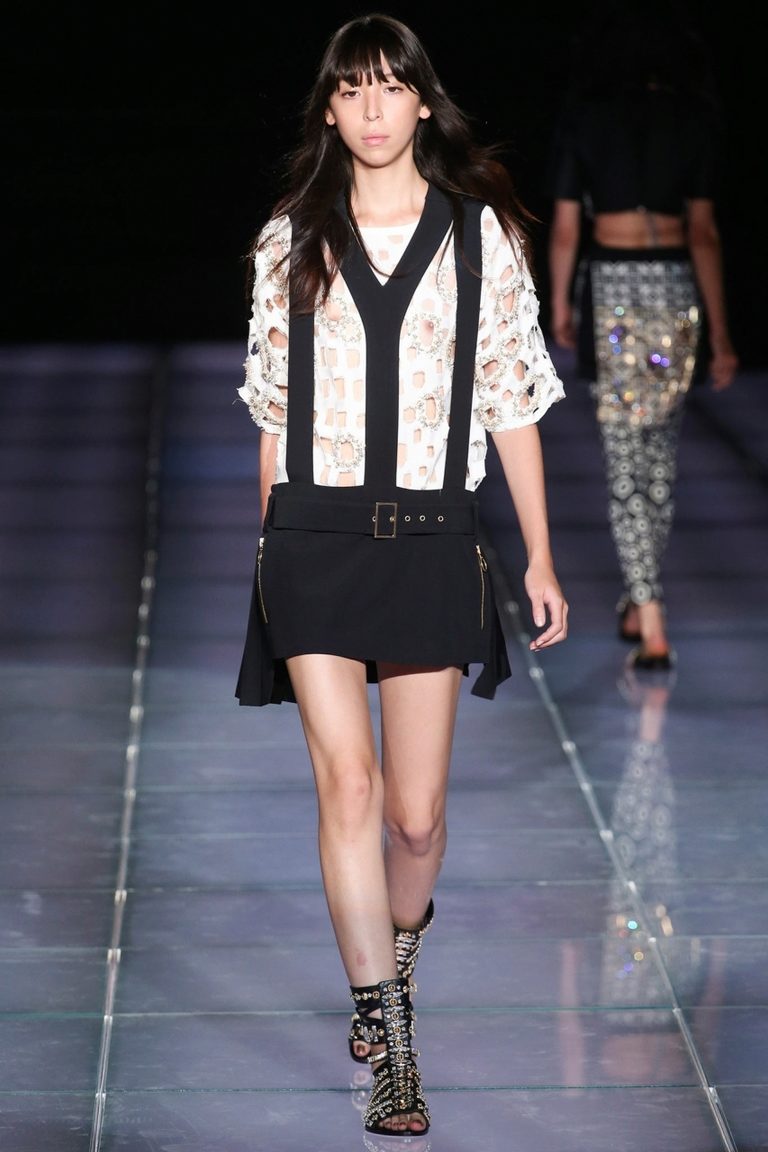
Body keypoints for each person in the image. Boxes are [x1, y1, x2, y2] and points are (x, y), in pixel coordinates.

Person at [234, 13, 568, 1138]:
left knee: (416, 821)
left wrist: (540, 555)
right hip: (315, 540)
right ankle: (393, 1046)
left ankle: (398, 955)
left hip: (431, 535)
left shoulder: (482, 241)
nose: (372, 109)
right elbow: (273, 409)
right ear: (329, 111)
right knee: (351, 789)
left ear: (423, 101)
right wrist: (267, 548)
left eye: (390, 87)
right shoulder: (290, 239)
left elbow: (511, 398)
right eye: (351, 90)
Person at [545, 1, 738, 670]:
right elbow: (704, 233)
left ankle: (651, 616)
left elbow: (566, 228)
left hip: (613, 293)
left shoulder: (585, 118)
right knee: (658, 458)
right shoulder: (695, 119)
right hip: (675, 291)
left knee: (626, 459)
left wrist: (560, 306)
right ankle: (640, 598)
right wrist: (721, 336)